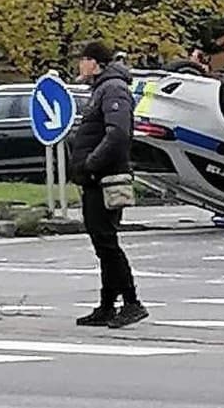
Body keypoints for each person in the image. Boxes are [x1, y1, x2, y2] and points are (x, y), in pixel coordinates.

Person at [68, 41, 147, 329]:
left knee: (107, 242)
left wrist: (91, 163)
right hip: (95, 178)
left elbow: (117, 134)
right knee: (103, 243)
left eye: (83, 59)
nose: (80, 65)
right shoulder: (102, 88)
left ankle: (131, 302)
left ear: (95, 62)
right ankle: (107, 305)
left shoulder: (113, 89)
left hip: (105, 178)